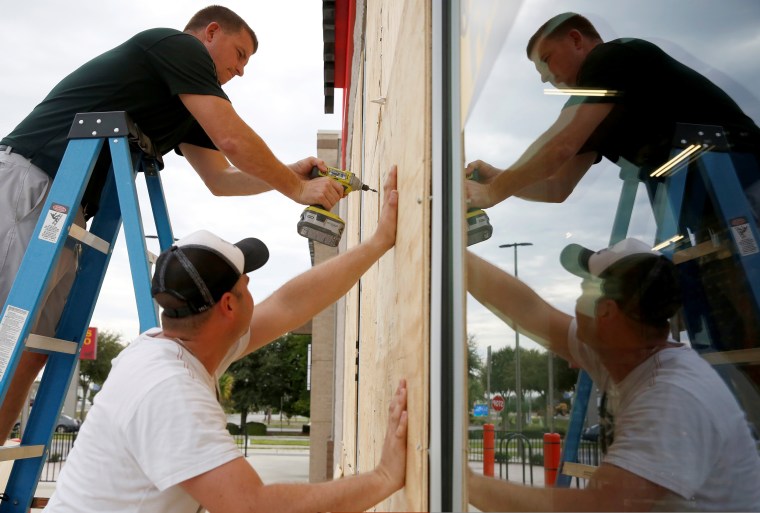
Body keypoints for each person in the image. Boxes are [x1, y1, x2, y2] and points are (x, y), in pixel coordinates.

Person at [0, 5, 345, 443]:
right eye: (239, 54)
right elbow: (233, 139)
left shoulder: (182, 104)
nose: (240, 71)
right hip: (31, 183)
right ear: (211, 33)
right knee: (6, 336)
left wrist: (288, 173)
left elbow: (220, 179)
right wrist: (296, 192)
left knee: (33, 353)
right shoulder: (176, 46)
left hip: (69, 211)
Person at [44, 166, 406, 513]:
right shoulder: (169, 389)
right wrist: (385, 477)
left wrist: (378, 243)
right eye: (244, 281)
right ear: (229, 305)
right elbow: (252, 506)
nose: (251, 285)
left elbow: (289, 304)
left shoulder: (171, 347)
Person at [466, 238, 760, 511]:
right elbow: (527, 310)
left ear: (605, 312)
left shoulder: (672, 397)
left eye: (584, 288)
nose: (578, 297)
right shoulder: (621, 352)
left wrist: (467, 485)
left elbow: (599, 508)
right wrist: (454, 255)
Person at [465, 12, 760, 207]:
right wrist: (498, 177)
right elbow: (557, 186)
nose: (545, 76)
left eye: (546, 60)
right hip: (711, 189)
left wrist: (493, 192)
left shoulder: (610, 58)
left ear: (576, 40)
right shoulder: (600, 106)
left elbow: (561, 146)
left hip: (741, 172)